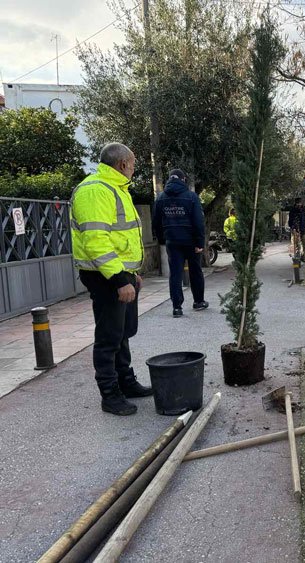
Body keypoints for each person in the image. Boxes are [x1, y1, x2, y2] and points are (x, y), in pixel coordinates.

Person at [71, 142, 152, 416]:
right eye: (133, 164)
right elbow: (96, 241)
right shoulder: (95, 191)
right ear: (122, 164)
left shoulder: (115, 189)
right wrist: (119, 279)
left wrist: (132, 273)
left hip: (118, 273)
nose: (134, 169)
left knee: (122, 332)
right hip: (103, 275)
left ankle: (125, 382)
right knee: (108, 336)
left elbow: (122, 239)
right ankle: (110, 393)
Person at [152, 169, 209, 318]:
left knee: (175, 274)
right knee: (195, 271)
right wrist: (199, 242)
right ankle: (198, 301)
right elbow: (198, 222)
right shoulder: (191, 197)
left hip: (172, 242)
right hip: (191, 241)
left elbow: (156, 223)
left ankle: (177, 307)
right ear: (183, 180)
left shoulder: (161, 198)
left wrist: (162, 239)